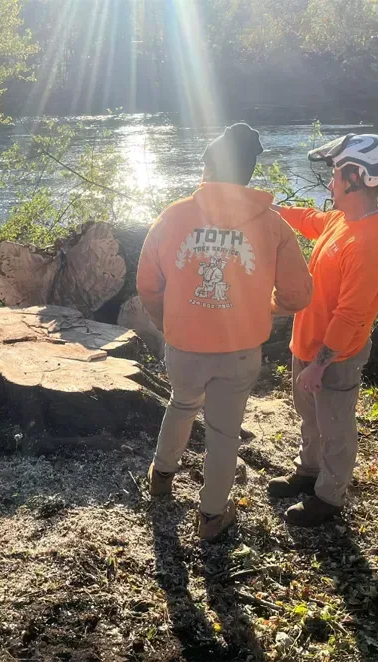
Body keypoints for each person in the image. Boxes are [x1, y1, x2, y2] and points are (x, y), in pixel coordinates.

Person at [137, 123, 313, 541]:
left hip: (182, 346)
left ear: (207, 168)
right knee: (223, 432)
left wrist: (169, 322)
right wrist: (266, 306)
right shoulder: (272, 225)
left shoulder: (173, 216)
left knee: (181, 403)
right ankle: (213, 517)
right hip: (238, 352)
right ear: (248, 173)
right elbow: (298, 293)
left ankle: (161, 477)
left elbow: (147, 284)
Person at [268, 133, 378, 527]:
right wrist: (269, 210)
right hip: (308, 344)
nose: (330, 183)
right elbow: (312, 221)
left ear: (358, 177)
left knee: (336, 426)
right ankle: (307, 472)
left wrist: (319, 365)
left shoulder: (370, 242)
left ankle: (329, 495)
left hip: (334, 357)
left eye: (336, 174)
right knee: (309, 416)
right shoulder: (344, 220)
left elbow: (351, 316)